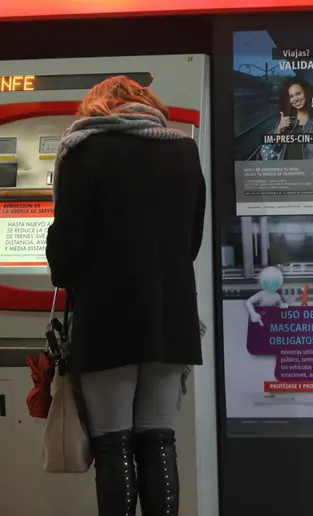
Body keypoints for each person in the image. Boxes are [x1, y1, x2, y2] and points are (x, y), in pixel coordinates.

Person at [46, 76, 206, 516]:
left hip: (107, 317)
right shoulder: (183, 150)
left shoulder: (84, 151)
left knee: (112, 440)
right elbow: (191, 240)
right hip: (170, 315)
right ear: (148, 105)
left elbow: (66, 248)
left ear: (97, 109)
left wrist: (64, 269)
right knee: (157, 436)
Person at [261, 78, 313, 161]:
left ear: (306, 93)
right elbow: (269, 150)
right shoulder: (285, 118)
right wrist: (279, 130)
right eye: (291, 96)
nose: (296, 99)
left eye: (298, 93)